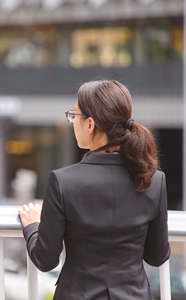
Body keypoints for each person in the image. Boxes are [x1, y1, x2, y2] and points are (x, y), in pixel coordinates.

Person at [18, 79, 171, 300]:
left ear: (90, 124)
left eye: (74, 115)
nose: (72, 121)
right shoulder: (154, 181)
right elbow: (157, 256)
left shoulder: (63, 181)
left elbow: (45, 259)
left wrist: (32, 226)